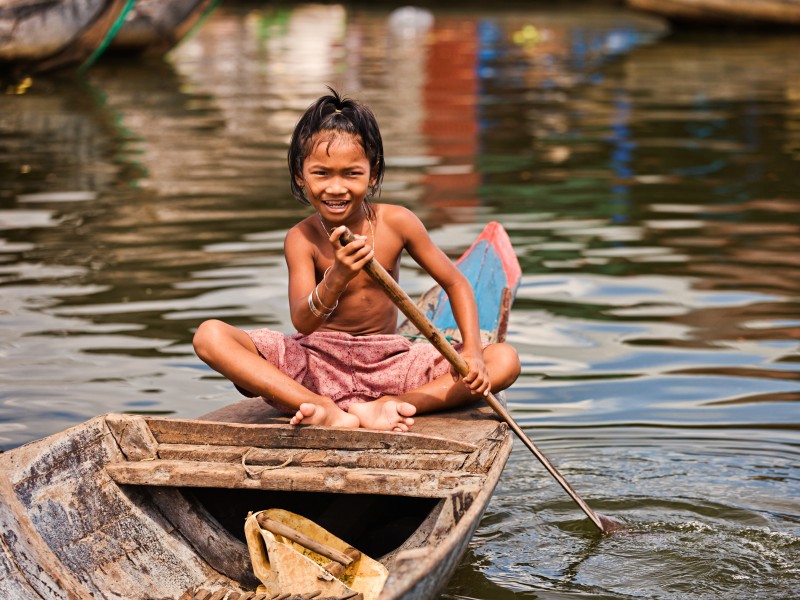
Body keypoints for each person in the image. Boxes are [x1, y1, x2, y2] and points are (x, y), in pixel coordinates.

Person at [193, 89, 520, 432]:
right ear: (300, 177)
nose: (336, 188)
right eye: (322, 174)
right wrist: (337, 276)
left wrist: (472, 352)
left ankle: (392, 406)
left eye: (351, 173)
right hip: (317, 365)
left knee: (504, 359)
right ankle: (321, 408)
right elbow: (303, 323)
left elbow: (456, 283)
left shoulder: (397, 222)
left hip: (392, 363)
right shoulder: (301, 238)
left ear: (373, 174)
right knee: (209, 336)